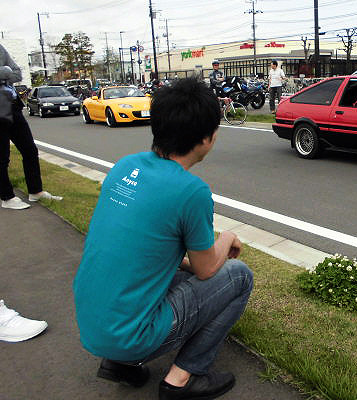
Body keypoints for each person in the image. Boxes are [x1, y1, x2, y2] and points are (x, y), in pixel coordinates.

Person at [73, 78, 253, 400]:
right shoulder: (192, 191)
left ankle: (119, 364)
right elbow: (206, 269)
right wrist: (226, 238)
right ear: (206, 139)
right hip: (131, 335)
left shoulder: (125, 166)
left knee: (159, 269)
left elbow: (145, 249)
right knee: (239, 277)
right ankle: (182, 379)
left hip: (90, 321)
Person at [0, 44, 62, 210]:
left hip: (12, 104)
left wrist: (5, 73)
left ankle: (35, 191)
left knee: (29, 150)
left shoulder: (0, 48)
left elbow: (17, 73)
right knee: (2, 156)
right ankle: (6, 197)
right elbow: (9, 72)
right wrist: (5, 72)